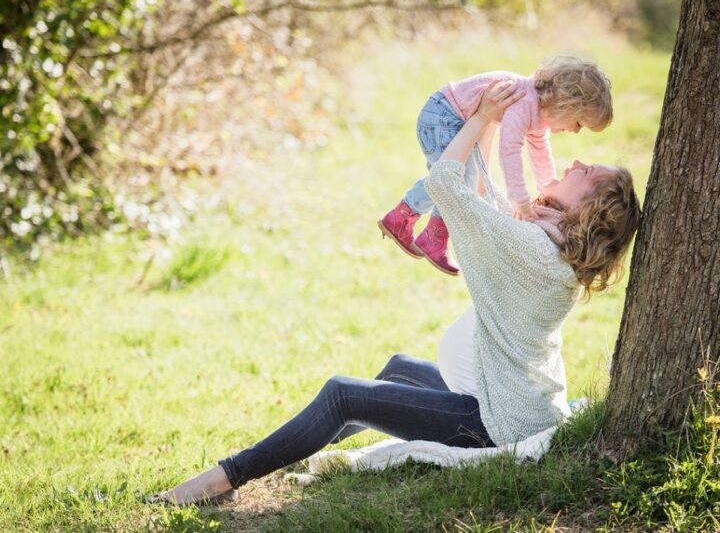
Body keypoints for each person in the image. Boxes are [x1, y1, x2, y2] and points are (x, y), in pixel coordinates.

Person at [147, 80, 639, 506]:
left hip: (493, 421)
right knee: (398, 369)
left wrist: (485, 116)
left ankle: (223, 478)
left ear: (589, 210)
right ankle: (284, 451)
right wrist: (491, 125)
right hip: (506, 399)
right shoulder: (551, 247)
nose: (576, 161)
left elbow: (447, 183)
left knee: (344, 394)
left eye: (589, 173)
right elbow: (487, 198)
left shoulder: (532, 250)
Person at [378, 56, 613, 275]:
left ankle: (405, 220)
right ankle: (430, 235)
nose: (575, 131)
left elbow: (541, 153)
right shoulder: (525, 102)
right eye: (579, 123)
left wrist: (547, 189)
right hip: (443, 116)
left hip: (449, 116)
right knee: (455, 178)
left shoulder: (538, 112)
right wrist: (519, 200)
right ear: (567, 105)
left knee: (456, 178)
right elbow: (509, 150)